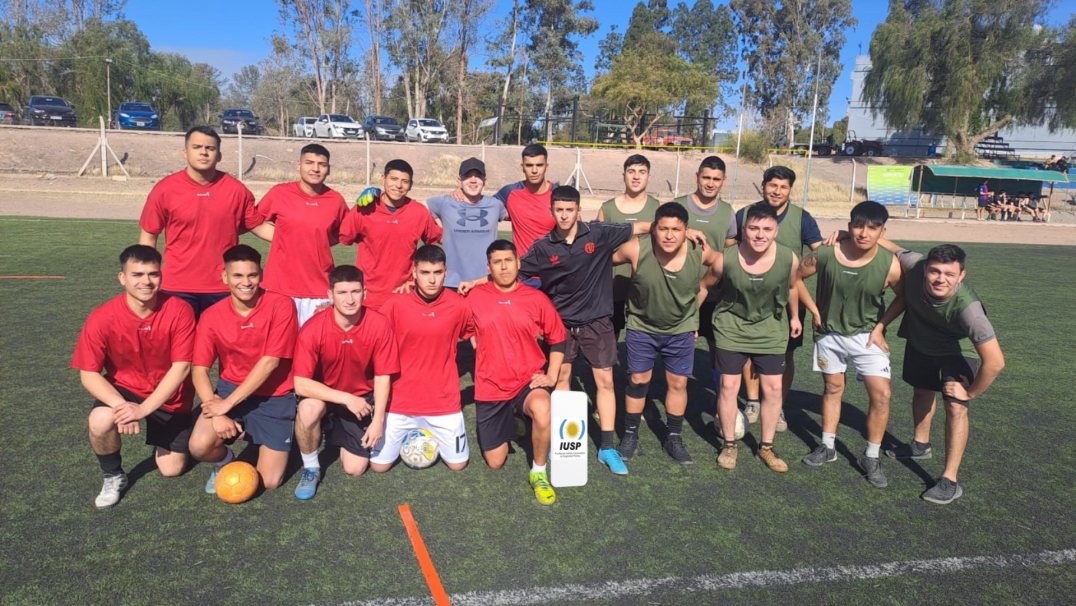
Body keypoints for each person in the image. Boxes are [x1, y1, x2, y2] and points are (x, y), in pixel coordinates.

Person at [466, 186, 658, 476]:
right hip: (562, 323)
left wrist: (682, 230)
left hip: (598, 321)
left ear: (579, 210)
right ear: (552, 211)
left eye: (570, 209)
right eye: (559, 210)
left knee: (604, 382)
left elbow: (643, 226)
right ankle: (563, 441)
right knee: (561, 380)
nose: (565, 215)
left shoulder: (599, 233)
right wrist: (478, 281)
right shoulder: (544, 247)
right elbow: (511, 268)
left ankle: (607, 447)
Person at [72, 245, 197, 508]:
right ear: (123, 278)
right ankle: (113, 475)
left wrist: (144, 409)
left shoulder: (179, 309)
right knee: (100, 419)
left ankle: (187, 427)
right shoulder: (102, 317)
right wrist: (121, 406)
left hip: (169, 395)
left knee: (171, 469)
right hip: (125, 390)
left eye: (153, 274)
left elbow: (182, 368)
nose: (146, 281)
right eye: (137, 274)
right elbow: (89, 374)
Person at [881, 241, 1005, 504]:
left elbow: (995, 362)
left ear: (961, 275)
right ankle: (920, 444)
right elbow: (889, 245)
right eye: (935, 271)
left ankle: (950, 480)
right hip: (921, 340)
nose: (940, 279)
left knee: (956, 406)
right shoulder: (914, 265)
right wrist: (847, 233)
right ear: (925, 268)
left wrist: (969, 393)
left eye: (949, 274)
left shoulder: (970, 310)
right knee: (922, 389)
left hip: (956, 349)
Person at [796, 202, 903, 488]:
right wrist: (814, 311)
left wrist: (881, 327)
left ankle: (871, 455)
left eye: (872, 228)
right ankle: (827, 446)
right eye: (858, 226)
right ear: (850, 225)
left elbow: (903, 298)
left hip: (867, 336)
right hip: (828, 333)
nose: (863, 233)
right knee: (832, 388)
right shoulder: (827, 253)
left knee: (882, 395)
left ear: (882, 230)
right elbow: (796, 278)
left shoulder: (890, 263)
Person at [611, 202, 718, 466]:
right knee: (637, 380)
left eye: (676, 229)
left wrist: (701, 291)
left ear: (687, 231)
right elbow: (603, 257)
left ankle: (673, 436)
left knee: (678, 383)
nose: (669, 235)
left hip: (680, 329)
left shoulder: (698, 251)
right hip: (642, 326)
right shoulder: (637, 248)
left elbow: (719, 263)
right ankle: (630, 435)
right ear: (653, 229)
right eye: (663, 229)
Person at [188, 245, 299, 493]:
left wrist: (227, 405)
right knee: (199, 446)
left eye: (252, 275)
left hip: (275, 396)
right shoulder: (211, 315)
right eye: (238, 276)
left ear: (260, 274)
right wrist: (217, 411)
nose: (246, 282)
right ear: (225, 277)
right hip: (230, 390)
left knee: (269, 482)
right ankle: (225, 462)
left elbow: (270, 361)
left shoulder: (281, 305)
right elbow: (199, 369)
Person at [465, 240, 566, 505]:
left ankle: (539, 472)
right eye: (497, 262)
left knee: (543, 408)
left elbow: (558, 338)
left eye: (508, 260)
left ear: (518, 263)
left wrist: (552, 375)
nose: (504, 267)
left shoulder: (536, 298)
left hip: (527, 380)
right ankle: (515, 421)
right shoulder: (474, 297)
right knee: (495, 462)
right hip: (490, 385)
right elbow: (457, 323)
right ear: (489, 267)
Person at [138, 126, 273, 318]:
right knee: (180, 346)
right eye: (197, 147)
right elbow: (149, 236)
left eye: (210, 148)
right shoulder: (165, 189)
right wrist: (147, 276)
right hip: (176, 286)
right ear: (185, 152)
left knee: (221, 346)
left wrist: (301, 239)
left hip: (224, 286)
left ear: (219, 155)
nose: (203, 152)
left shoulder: (235, 190)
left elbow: (259, 226)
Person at [291, 264, 400, 499]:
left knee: (355, 468)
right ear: (330, 295)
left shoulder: (379, 324)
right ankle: (311, 467)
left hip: (362, 398)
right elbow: (300, 383)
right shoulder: (313, 329)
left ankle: (334, 428)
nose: (350, 300)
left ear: (365, 293)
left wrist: (378, 420)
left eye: (355, 292)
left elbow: (383, 375)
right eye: (342, 292)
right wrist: (346, 399)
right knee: (308, 409)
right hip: (327, 396)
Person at [726, 166, 822, 432]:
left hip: (786, 299)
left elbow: (820, 253)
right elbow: (730, 247)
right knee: (747, 353)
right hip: (747, 297)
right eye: (772, 185)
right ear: (763, 185)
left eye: (783, 187)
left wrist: (796, 274)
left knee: (785, 353)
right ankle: (753, 401)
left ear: (791, 190)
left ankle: (777, 405)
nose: (777, 191)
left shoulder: (803, 218)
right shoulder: (744, 214)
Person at [710, 203, 802, 473]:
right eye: (753, 228)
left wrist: (795, 316)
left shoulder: (789, 258)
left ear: (776, 231)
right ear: (744, 230)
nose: (760, 234)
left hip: (771, 329)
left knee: (773, 389)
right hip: (731, 327)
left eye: (766, 229)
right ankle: (729, 445)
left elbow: (794, 286)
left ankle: (766, 447)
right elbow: (704, 286)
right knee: (728, 387)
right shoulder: (724, 258)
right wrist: (692, 320)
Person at [373, 246, 474, 473]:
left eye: (437, 273)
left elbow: (473, 334)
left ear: (446, 272)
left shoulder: (458, 306)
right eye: (425, 273)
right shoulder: (395, 303)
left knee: (458, 465)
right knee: (379, 467)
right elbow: (375, 341)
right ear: (413, 272)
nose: (431, 280)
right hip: (400, 400)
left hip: (443, 400)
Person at [258, 143, 350, 325]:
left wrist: (318, 240)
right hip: (280, 287)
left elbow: (344, 233)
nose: (315, 169)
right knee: (279, 348)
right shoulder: (280, 193)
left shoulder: (336, 200)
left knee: (315, 349)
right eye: (309, 163)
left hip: (319, 289)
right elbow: (255, 221)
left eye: (322, 165)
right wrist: (281, 237)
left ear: (328, 169)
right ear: (298, 164)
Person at [339, 159, 443, 311]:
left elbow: (441, 238)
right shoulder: (365, 208)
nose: (398, 185)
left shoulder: (418, 212)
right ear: (383, 179)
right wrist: (356, 209)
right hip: (369, 295)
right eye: (393, 179)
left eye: (405, 181)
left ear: (411, 185)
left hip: (404, 293)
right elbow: (345, 237)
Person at [674, 156, 735, 366]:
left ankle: (720, 391)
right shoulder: (678, 206)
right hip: (678, 291)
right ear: (697, 177)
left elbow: (730, 248)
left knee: (718, 348)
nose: (710, 183)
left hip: (714, 293)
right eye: (706, 177)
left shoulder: (728, 212)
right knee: (675, 345)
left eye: (716, 179)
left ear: (724, 181)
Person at [598, 154, 660, 341]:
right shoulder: (607, 208)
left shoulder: (657, 208)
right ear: (623, 175)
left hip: (644, 286)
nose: (636, 177)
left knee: (641, 337)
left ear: (648, 177)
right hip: (612, 284)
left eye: (642, 172)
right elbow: (598, 249)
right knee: (610, 334)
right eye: (631, 171)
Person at [425, 158, 507, 290]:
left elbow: (518, 215)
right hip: (451, 283)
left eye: (478, 176)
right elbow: (415, 211)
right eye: (467, 176)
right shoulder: (445, 203)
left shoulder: (495, 205)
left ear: (484, 180)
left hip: (486, 281)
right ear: (460, 180)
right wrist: (437, 234)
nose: (473, 180)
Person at [494, 143, 558, 259]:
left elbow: (576, 231)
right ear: (522, 167)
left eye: (539, 165)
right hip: (522, 271)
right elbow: (483, 206)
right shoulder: (510, 192)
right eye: (529, 165)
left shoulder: (558, 194)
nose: (534, 170)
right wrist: (461, 194)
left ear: (546, 167)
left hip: (553, 270)